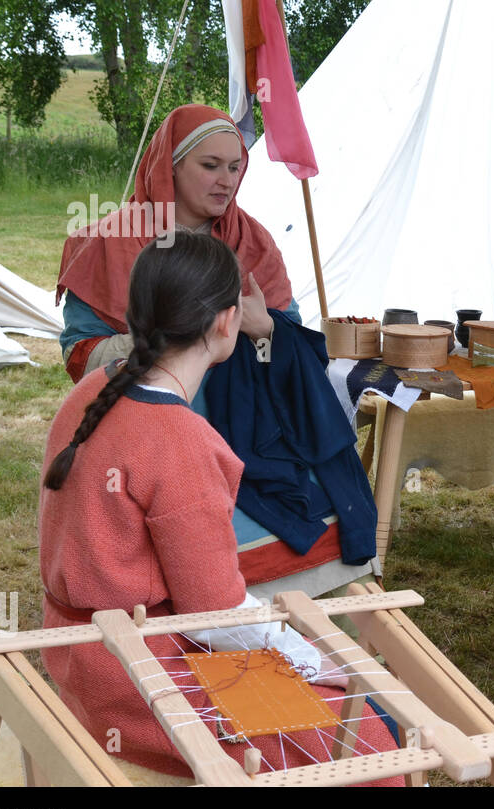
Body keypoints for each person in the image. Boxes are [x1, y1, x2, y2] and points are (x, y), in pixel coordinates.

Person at [39, 233, 399, 780]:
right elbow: (215, 618)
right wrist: (320, 664)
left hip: (83, 657)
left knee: (353, 703)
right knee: (372, 737)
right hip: (133, 679)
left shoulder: (90, 390)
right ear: (227, 323)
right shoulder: (180, 441)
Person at [56, 104, 376, 588]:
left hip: (251, 425)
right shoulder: (110, 241)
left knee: (321, 499)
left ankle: (290, 627)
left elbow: (285, 346)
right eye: (210, 166)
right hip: (148, 427)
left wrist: (264, 329)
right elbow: (81, 356)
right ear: (171, 166)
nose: (225, 180)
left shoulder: (253, 242)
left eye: (235, 167)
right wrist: (173, 337)